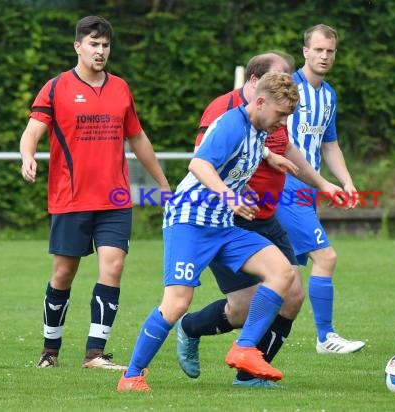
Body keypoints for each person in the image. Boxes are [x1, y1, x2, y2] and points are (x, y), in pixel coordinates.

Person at [117, 71, 300, 392]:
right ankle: (131, 376)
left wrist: (272, 157)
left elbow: (251, 148)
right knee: (176, 302)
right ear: (259, 102)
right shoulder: (232, 124)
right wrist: (230, 196)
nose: (283, 122)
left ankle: (244, 349)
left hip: (221, 226)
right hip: (190, 221)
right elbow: (199, 165)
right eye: (281, 114)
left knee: (282, 272)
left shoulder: (259, 129)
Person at [175, 51, 346, 388]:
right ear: (256, 83)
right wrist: (238, 189)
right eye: (279, 78)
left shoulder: (276, 115)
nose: (288, 84)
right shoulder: (224, 110)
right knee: (242, 310)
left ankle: (250, 373)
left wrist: (324, 184)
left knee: (292, 296)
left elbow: (287, 149)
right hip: (231, 220)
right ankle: (189, 327)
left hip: (267, 218)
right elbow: (204, 162)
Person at [19, 15, 170, 369]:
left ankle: (95, 354)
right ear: (78, 46)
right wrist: (27, 156)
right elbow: (32, 131)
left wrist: (162, 184)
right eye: (93, 44)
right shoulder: (55, 88)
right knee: (63, 273)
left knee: (113, 267)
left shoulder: (120, 88)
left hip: (115, 198)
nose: (100, 51)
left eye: (105, 46)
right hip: (71, 198)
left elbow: (138, 138)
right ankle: (49, 351)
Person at [275, 24, 366, 354]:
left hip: (307, 194)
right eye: (318, 50)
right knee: (326, 257)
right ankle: (325, 336)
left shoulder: (328, 95)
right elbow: (278, 143)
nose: (324, 56)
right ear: (305, 52)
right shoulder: (287, 88)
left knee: (287, 281)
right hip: (284, 190)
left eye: (330, 51)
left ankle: (234, 340)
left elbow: (330, 145)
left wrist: (346, 181)